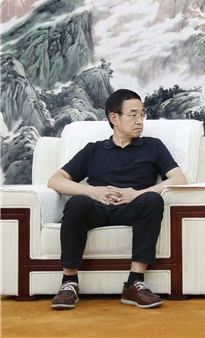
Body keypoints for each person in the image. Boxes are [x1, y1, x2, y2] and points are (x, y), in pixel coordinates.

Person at [48, 89, 187, 310]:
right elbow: (55, 180)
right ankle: (69, 282)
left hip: (133, 208)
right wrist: (93, 192)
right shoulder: (94, 149)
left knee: (152, 200)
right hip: (97, 208)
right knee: (77, 202)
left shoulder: (153, 146)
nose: (140, 121)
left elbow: (179, 179)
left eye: (142, 115)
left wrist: (138, 194)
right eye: (133, 115)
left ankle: (135, 283)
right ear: (114, 118)